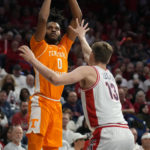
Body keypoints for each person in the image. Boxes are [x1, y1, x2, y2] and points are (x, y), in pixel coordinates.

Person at [18, 19, 134, 150]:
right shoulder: (110, 75)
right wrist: (82, 37)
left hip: (107, 134)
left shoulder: (87, 71)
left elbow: (55, 79)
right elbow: (88, 54)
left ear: (93, 55)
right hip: (127, 134)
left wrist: (33, 59)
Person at [23, 0, 82, 149]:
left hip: (56, 105)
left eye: (56, 28)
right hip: (40, 101)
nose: (54, 30)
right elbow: (42, 19)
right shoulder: (38, 46)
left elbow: (78, 17)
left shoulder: (64, 47)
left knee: (53, 147)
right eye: (50, 28)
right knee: (35, 144)